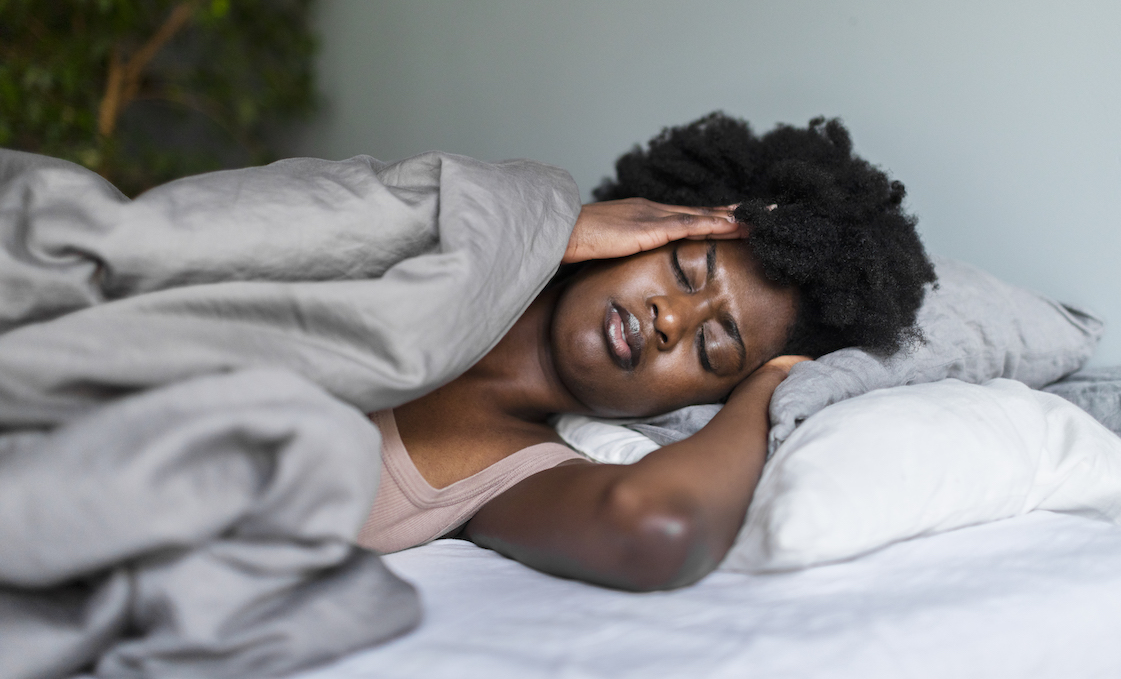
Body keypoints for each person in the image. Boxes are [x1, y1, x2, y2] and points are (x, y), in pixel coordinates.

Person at [357, 112, 936, 591]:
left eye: (713, 348)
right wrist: (560, 231)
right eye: (686, 271)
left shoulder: (512, 476)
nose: (671, 319)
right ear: (647, 223)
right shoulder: (431, 239)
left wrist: (768, 389)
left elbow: (658, 528)